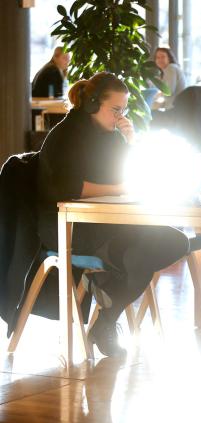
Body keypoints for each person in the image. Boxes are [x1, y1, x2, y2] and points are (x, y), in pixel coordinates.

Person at [37, 72, 190, 357]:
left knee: (175, 242)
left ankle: (105, 317)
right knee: (139, 256)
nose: (120, 116)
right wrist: (118, 187)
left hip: (108, 220)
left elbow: (130, 177)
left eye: (125, 110)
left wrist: (130, 142)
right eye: (116, 109)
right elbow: (66, 187)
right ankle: (107, 313)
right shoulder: (67, 134)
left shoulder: (111, 135)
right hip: (69, 225)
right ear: (93, 104)